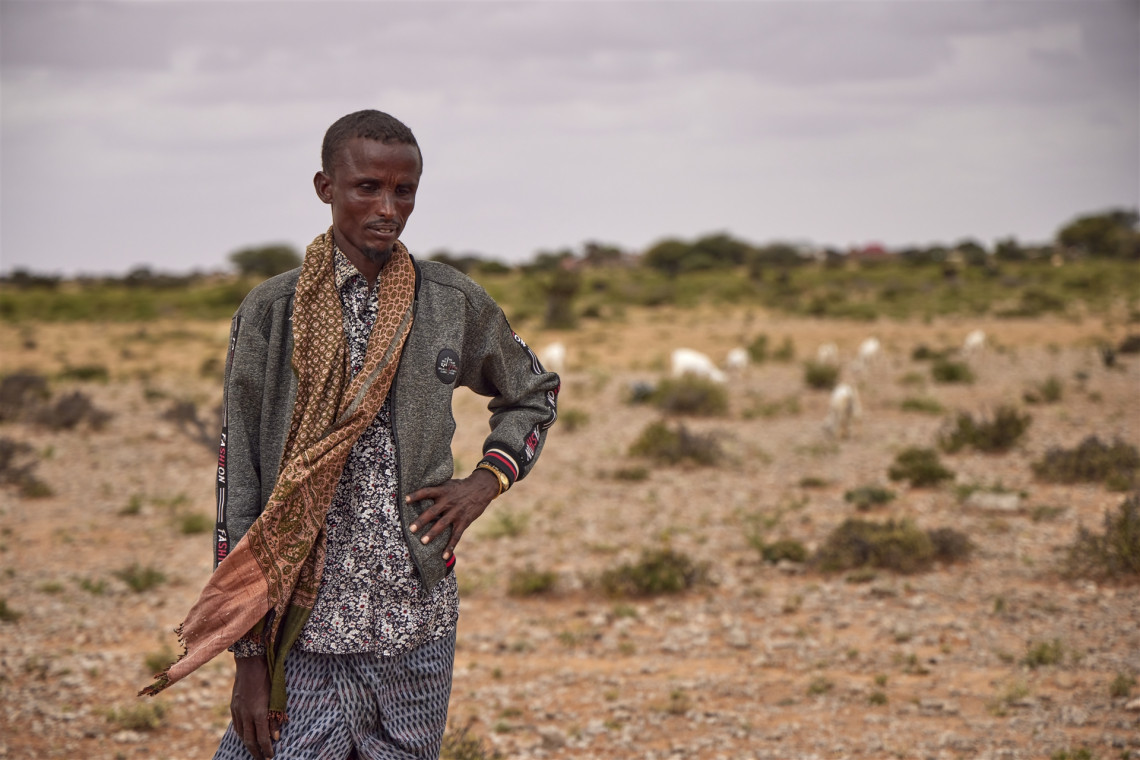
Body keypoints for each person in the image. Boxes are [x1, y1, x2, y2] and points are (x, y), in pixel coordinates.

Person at [140, 110, 560, 760]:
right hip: (306, 635)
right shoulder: (270, 314)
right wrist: (249, 661)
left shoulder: (449, 302)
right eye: (368, 187)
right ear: (325, 186)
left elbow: (533, 391)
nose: (388, 208)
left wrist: (486, 480)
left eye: (405, 191)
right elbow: (241, 486)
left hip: (415, 625)